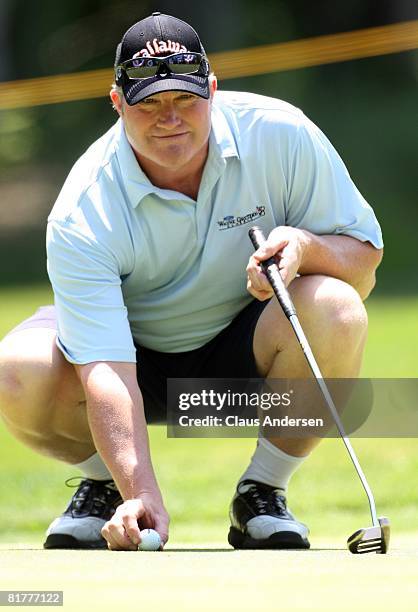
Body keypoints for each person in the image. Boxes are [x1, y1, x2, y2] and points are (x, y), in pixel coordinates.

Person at [0, 12, 383, 551]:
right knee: (18, 368)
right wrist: (143, 491)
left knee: (337, 307)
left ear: (213, 89)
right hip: (131, 363)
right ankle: (108, 488)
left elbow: (364, 259)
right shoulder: (84, 207)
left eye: (184, 99)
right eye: (149, 102)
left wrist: (305, 247)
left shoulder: (281, 134)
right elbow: (107, 366)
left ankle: (262, 494)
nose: (169, 118)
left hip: (243, 358)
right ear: (117, 103)